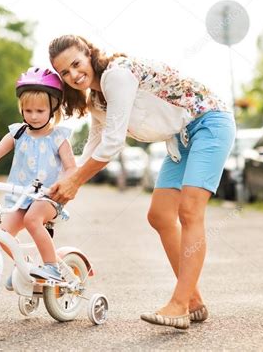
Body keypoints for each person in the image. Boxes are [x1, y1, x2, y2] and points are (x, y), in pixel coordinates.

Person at [48, 35, 235, 329]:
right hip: (181, 137)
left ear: (88, 54)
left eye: (76, 64)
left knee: (189, 211)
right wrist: (61, 182)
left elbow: (112, 145)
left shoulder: (117, 76)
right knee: (160, 215)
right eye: (64, 72)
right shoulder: (97, 99)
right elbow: (93, 148)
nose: (73, 75)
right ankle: (194, 300)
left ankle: (179, 304)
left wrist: (76, 184)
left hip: (209, 122)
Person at [0, 67, 76, 285]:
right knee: (2, 233)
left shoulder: (58, 137)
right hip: (20, 198)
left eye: (40, 111)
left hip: (47, 198)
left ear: (53, 108)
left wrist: (64, 185)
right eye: (28, 110)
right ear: (21, 108)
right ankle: (26, 267)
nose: (33, 116)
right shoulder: (18, 133)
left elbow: (71, 168)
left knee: (33, 220)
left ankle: (52, 267)